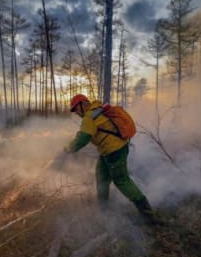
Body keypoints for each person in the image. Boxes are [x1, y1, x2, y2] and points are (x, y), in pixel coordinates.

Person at [64, 94, 163, 224]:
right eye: (73, 110)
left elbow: (83, 138)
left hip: (114, 151)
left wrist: (68, 149)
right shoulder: (96, 110)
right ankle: (104, 210)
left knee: (122, 181)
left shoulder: (89, 116)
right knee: (101, 177)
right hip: (109, 150)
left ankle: (147, 214)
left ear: (82, 104)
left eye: (75, 109)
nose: (75, 113)